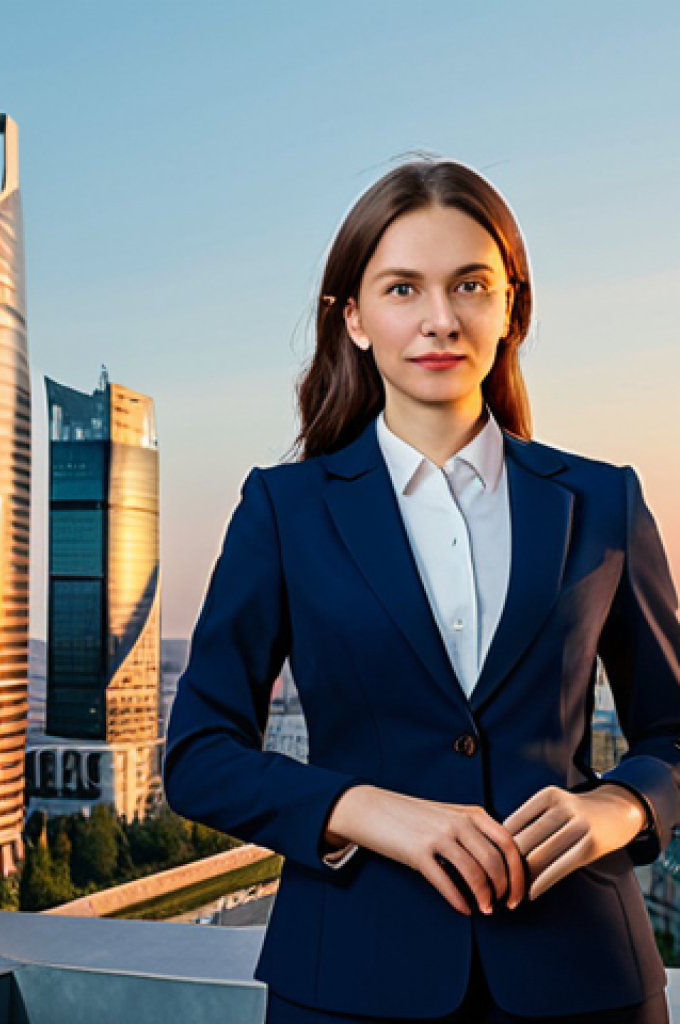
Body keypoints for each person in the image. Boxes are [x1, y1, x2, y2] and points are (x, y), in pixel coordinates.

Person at [163, 158, 680, 1023]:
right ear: (354, 317)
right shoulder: (283, 510)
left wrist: (620, 809)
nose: (441, 319)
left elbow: (672, 733)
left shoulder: (603, 502)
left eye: (471, 285)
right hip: (349, 980)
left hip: (585, 977)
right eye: (403, 289)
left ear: (512, 306)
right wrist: (368, 812)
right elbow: (199, 757)